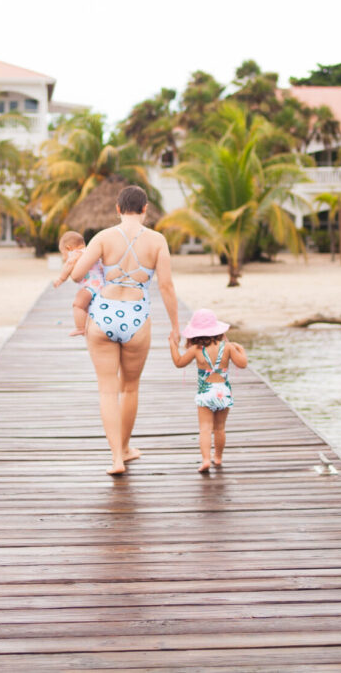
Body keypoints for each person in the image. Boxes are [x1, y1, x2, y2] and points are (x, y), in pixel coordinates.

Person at [70, 185, 179, 475]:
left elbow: (77, 275)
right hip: (137, 316)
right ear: (145, 209)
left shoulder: (103, 237)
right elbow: (166, 286)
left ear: (118, 209)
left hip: (103, 314)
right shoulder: (157, 241)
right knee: (129, 388)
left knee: (108, 391)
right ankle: (126, 448)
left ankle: (116, 458)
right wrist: (175, 326)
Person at [169, 308, 248, 472]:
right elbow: (242, 364)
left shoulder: (196, 349)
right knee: (219, 428)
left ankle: (206, 460)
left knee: (205, 428)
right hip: (223, 392)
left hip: (206, 392)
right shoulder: (227, 347)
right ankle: (217, 458)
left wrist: (172, 345)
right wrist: (240, 349)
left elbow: (179, 362)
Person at [52, 230, 103, 336]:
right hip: (100, 286)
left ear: (68, 248)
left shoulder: (76, 253)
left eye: (63, 254)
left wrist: (61, 279)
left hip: (90, 286)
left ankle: (80, 328)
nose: (64, 257)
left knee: (77, 305)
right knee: (86, 308)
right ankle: (89, 327)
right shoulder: (90, 252)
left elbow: (69, 264)